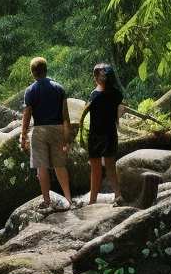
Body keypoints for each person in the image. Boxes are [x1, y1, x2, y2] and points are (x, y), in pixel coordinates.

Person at [76, 62, 158, 205]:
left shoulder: (94, 95)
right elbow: (117, 114)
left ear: (99, 77)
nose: (95, 78)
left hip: (95, 136)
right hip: (109, 134)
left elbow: (90, 115)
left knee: (95, 169)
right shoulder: (116, 94)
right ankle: (117, 196)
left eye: (96, 75)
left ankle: (93, 200)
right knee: (110, 167)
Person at [19, 57, 72, 207]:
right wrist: (67, 139)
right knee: (60, 165)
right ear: (46, 69)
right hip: (57, 129)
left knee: (41, 167)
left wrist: (23, 135)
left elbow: (27, 114)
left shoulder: (30, 90)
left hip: (39, 130)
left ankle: (47, 201)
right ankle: (68, 199)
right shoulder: (59, 88)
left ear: (32, 72)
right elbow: (65, 116)